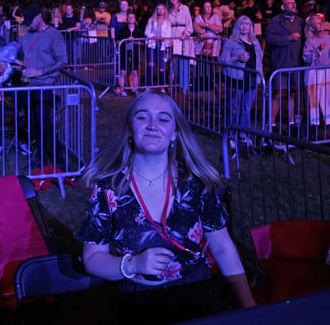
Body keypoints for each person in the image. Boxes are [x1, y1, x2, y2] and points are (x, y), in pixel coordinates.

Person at [77, 90, 255, 324]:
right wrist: (132, 264)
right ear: (130, 129)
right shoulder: (107, 190)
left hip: (197, 296)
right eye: (142, 117)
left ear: (174, 134)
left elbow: (222, 248)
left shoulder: (196, 185)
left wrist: (249, 306)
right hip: (138, 302)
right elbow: (93, 258)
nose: (152, 125)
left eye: (163, 118)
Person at [18, 3, 68, 156]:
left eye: (30, 21)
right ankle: (42, 157)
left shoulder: (54, 34)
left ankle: (57, 159)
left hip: (44, 85)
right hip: (26, 84)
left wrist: (40, 71)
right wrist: (18, 63)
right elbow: (25, 58)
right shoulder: (27, 35)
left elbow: (62, 61)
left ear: (38, 17)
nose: (28, 25)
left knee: (43, 122)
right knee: (34, 123)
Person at [219, 16, 264, 146]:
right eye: (242, 25)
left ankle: (244, 135)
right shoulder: (231, 42)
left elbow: (259, 61)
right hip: (236, 79)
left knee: (246, 109)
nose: (245, 27)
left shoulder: (255, 42)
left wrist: (260, 77)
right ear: (238, 26)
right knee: (234, 108)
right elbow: (222, 60)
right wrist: (237, 57)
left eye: (248, 25)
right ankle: (231, 136)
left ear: (251, 27)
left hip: (251, 80)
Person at [265, 0, 304, 130]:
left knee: (292, 94)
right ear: (283, 7)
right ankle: (272, 123)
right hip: (280, 64)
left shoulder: (300, 21)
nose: (293, 5)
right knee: (277, 94)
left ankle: (292, 122)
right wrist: (288, 38)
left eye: (294, 3)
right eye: (290, 3)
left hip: (295, 64)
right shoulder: (276, 21)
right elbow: (269, 39)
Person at [302, 15, 330, 126]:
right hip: (314, 72)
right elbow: (306, 58)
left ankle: (328, 122)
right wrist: (318, 50)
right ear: (312, 28)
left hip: (327, 70)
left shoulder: (328, 38)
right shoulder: (310, 40)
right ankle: (314, 124)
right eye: (318, 23)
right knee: (313, 98)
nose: (321, 24)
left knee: (327, 97)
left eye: (321, 22)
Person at [168, 0, 194, 93]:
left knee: (184, 61)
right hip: (173, 37)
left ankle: (184, 86)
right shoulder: (169, 10)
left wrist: (186, 34)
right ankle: (170, 85)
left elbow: (189, 24)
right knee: (173, 62)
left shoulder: (185, 8)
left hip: (183, 37)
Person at [115, 11, 144, 96]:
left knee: (135, 71)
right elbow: (117, 41)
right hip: (124, 52)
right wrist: (126, 39)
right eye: (129, 18)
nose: (131, 19)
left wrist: (134, 41)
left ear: (135, 19)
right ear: (127, 19)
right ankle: (121, 89)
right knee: (122, 71)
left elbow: (143, 42)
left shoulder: (138, 29)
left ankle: (135, 90)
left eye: (132, 17)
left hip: (134, 52)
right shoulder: (123, 29)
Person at [144, 3, 172, 89]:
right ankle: (148, 86)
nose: (160, 10)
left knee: (161, 67)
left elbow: (169, 34)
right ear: (156, 10)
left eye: (162, 9)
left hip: (163, 45)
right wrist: (154, 37)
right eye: (158, 9)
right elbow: (146, 32)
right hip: (152, 45)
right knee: (151, 65)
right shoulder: (151, 20)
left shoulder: (168, 21)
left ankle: (162, 86)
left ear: (164, 10)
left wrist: (164, 40)